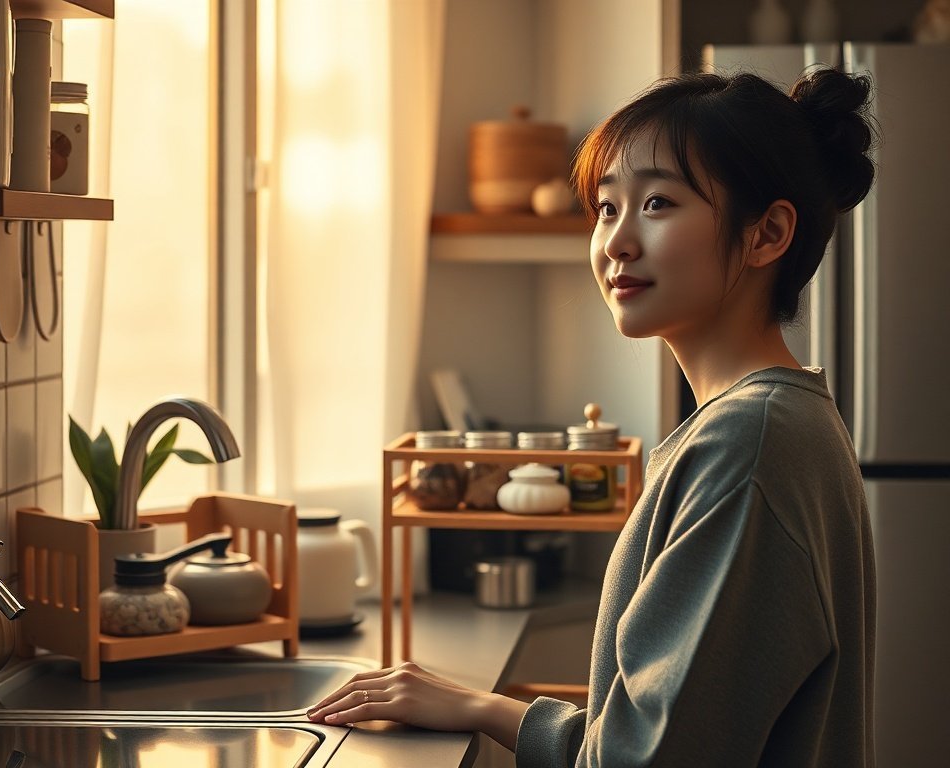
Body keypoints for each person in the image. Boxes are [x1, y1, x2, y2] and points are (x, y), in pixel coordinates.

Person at [307, 67, 878, 767]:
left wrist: (482, 707)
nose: (615, 243)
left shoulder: (749, 443)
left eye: (660, 203)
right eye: (607, 208)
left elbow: (643, 760)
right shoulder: (769, 423)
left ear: (768, 234)